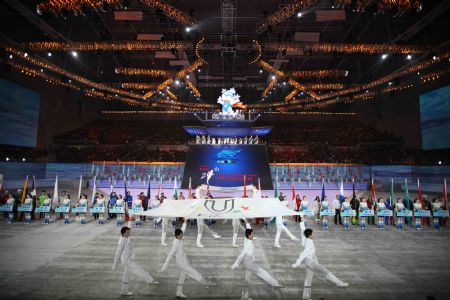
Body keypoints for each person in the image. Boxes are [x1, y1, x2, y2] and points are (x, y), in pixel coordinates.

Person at [292, 221, 348, 300]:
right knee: (325, 271)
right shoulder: (309, 242)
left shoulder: (304, 239)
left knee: (308, 279)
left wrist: (302, 221)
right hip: (312, 262)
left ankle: (305, 297)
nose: (313, 235)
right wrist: (297, 263)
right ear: (310, 235)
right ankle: (339, 283)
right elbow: (303, 253)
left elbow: (302, 230)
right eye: (312, 234)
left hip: (309, 262)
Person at [161, 219, 211, 298]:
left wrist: (185, 222)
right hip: (182, 263)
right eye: (181, 235)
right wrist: (165, 266)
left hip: (183, 262)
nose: (182, 236)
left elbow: (182, 230)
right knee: (194, 272)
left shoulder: (178, 239)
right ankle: (206, 283)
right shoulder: (176, 244)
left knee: (182, 277)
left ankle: (178, 292)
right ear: (178, 236)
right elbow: (170, 255)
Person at [231, 225, 282, 300]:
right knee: (262, 272)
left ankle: (244, 297)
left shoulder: (246, 239)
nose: (253, 235)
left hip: (247, 263)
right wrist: (236, 263)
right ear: (249, 235)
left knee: (247, 280)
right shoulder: (248, 243)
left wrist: (247, 223)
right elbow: (242, 254)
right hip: (249, 263)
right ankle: (276, 284)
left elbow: (248, 233)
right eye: (252, 234)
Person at [112, 226, 158, 296]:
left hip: (128, 259)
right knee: (139, 269)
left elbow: (130, 249)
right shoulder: (122, 240)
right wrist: (115, 264)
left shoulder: (127, 238)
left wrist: (132, 256)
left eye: (129, 232)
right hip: (126, 260)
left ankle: (124, 291)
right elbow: (118, 252)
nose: (129, 233)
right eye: (127, 232)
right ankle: (150, 280)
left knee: (126, 275)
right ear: (123, 233)